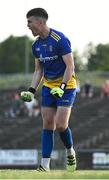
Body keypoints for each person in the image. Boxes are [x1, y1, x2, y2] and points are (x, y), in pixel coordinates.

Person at [21, 8, 77, 172]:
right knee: (47, 124)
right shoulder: (35, 45)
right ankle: (44, 166)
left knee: (60, 125)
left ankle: (70, 151)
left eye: (29, 22)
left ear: (40, 22)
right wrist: (31, 91)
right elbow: (39, 70)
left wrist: (62, 87)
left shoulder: (59, 39)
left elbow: (70, 66)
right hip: (48, 87)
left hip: (66, 87)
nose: (28, 26)